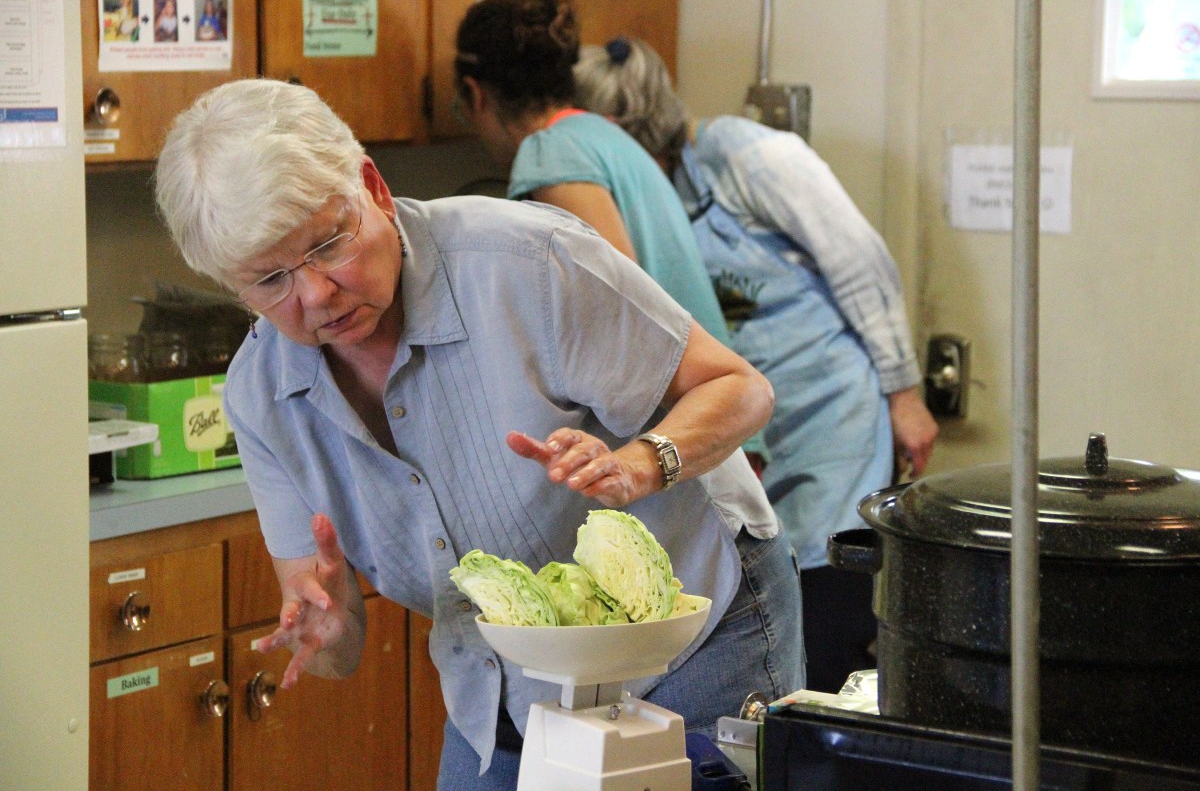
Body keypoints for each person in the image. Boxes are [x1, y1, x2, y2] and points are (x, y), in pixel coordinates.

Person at [153, 78, 804, 790]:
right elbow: (332, 638)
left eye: (328, 245)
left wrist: (640, 464)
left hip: (687, 632)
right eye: (270, 280)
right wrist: (329, 633)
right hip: (500, 679)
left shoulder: (525, 263)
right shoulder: (262, 394)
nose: (314, 295)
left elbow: (741, 389)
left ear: (372, 187)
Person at [575, 36, 940, 692]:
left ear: (620, 133)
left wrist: (904, 395)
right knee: (767, 605)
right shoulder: (647, 197)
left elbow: (862, 261)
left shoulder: (749, 154)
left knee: (826, 618)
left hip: (829, 423)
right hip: (747, 428)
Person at [451, 0, 772, 465]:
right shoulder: (600, 135)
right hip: (717, 426)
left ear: (475, 94)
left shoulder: (550, 154)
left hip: (688, 440)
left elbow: (615, 309)